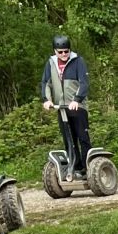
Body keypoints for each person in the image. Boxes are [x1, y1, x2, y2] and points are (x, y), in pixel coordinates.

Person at [40, 36, 91, 174]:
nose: (63, 54)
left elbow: (84, 82)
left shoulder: (78, 61)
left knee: (83, 138)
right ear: (55, 51)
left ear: (70, 50)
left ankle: (88, 169)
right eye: (60, 52)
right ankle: (76, 167)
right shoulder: (51, 63)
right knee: (69, 140)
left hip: (77, 107)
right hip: (61, 108)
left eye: (66, 51)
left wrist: (77, 99)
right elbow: (46, 83)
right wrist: (47, 100)